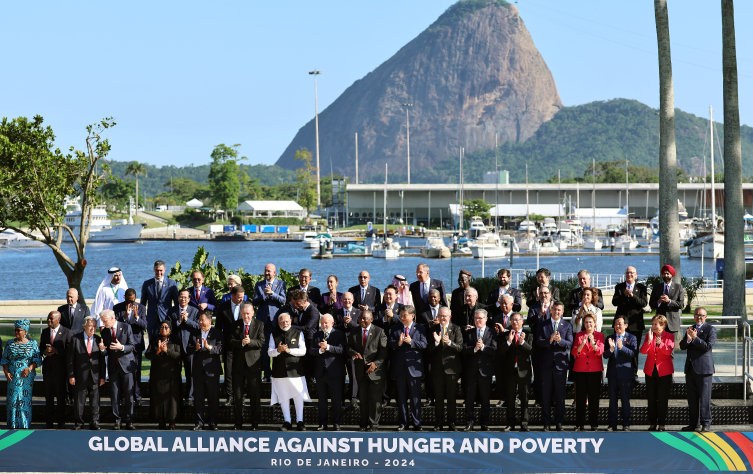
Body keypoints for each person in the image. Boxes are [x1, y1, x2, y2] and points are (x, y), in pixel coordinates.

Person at [268, 312, 311, 431]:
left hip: (295, 370)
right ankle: (287, 421)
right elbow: (270, 353)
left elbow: (303, 351)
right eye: (282, 321)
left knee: (298, 395)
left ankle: (300, 421)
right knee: (283, 396)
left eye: (287, 321)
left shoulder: (298, 333)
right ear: (278, 323)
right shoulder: (274, 334)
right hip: (279, 371)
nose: (285, 323)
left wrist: (289, 351)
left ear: (291, 321)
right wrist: (278, 350)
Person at [347, 310, 388, 431]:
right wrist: (353, 353)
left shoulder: (379, 331)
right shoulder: (354, 331)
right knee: (363, 399)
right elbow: (348, 346)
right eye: (360, 318)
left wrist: (375, 364)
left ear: (371, 319)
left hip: (375, 372)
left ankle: (374, 424)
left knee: (375, 400)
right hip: (360, 370)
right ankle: (363, 424)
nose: (362, 321)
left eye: (365, 318)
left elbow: (384, 351)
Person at [388, 305, 427, 431]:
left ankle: (417, 423)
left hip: (414, 369)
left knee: (415, 398)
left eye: (405, 315)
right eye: (401, 315)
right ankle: (403, 423)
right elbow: (389, 344)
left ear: (412, 316)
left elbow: (424, 344)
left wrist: (411, 342)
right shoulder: (395, 328)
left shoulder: (420, 329)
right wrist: (398, 343)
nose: (402, 317)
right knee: (401, 398)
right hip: (400, 369)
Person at [536, 301, 572, 431]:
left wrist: (560, 341)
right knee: (545, 395)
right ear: (551, 310)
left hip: (560, 366)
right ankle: (546, 423)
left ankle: (559, 423)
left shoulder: (567, 325)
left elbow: (569, 344)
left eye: (559, 310)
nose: (556, 312)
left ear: (562, 312)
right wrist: (549, 340)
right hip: (546, 365)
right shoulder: (543, 324)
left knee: (560, 395)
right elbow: (538, 342)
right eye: (555, 309)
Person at [99, 309, 137, 430]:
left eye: (105, 321)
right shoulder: (105, 331)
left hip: (126, 366)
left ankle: (129, 420)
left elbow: (132, 346)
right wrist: (102, 349)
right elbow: (107, 352)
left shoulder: (126, 327)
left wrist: (122, 347)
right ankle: (117, 420)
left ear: (112, 318)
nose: (104, 323)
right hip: (113, 367)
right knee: (114, 395)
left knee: (128, 395)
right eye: (102, 321)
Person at [229, 302, 264, 431]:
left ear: (253, 313)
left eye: (248, 313)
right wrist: (241, 343)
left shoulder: (259, 324)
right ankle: (238, 422)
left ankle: (255, 422)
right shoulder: (235, 325)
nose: (246, 316)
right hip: (238, 365)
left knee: (255, 395)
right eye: (244, 314)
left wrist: (251, 342)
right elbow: (230, 341)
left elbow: (262, 341)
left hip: (253, 365)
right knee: (237, 396)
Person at [680, 307, 716, 432]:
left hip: (704, 369)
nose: (698, 317)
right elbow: (682, 346)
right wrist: (688, 339)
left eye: (701, 315)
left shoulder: (710, 329)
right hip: (690, 368)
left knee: (705, 398)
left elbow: (708, 346)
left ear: (705, 317)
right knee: (692, 399)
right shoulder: (690, 328)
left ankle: (706, 423)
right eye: (696, 315)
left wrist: (695, 338)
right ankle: (694, 423)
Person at [427, 307, 463, 431]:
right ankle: (439, 423)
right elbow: (428, 349)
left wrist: (449, 343)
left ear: (450, 317)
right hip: (437, 369)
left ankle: (451, 422)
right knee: (438, 398)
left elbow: (460, 348)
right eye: (440, 316)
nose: (442, 318)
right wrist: (437, 343)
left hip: (451, 369)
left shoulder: (456, 329)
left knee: (451, 398)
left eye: (445, 316)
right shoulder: (433, 330)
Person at [67, 316, 105, 430]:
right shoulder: (75, 339)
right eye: (90, 326)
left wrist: (102, 376)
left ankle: (94, 422)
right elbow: (70, 360)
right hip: (80, 376)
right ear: (84, 326)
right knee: (79, 400)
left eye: (94, 326)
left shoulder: (98, 340)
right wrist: (71, 375)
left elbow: (102, 360)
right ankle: (79, 423)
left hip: (95, 375)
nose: (93, 328)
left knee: (95, 401)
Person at [187, 310, 223, 431]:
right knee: (198, 399)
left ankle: (213, 422)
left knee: (213, 398)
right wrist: (196, 348)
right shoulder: (194, 333)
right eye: (200, 320)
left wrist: (209, 347)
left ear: (210, 320)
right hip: (198, 371)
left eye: (203, 320)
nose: (201, 322)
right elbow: (188, 349)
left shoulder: (217, 333)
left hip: (212, 371)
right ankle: (199, 423)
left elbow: (220, 349)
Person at [309, 314, 346, 431]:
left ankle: (336, 423)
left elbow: (341, 349)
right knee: (322, 400)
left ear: (332, 323)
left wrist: (328, 347)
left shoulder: (339, 334)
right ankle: (322, 423)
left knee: (336, 400)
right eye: (322, 323)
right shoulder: (317, 335)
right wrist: (321, 350)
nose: (324, 325)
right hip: (320, 373)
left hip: (335, 373)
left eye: (326, 323)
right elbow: (311, 351)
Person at [2, 319, 41, 429]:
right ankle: (12, 424)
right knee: (12, 400)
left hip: (26, 377)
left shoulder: (33, 343)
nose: (16, 332)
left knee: (24, 400)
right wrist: (6, 372)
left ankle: (24, 424)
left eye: (19, 330)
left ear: (25, 331)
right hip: (13, 377)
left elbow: (37, 359)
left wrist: (29, 368)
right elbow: (5, 359)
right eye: (15, 330)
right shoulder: (10, 343)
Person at [462, 309, 497, 431]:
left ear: (486, 319)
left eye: (480, 318)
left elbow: (494, 350)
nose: (478, 320)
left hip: (485, 371)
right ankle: (469, 423)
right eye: (476, 318)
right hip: (471, 371)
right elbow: (464, 349)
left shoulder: (492, 332)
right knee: (469, 399)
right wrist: (475, 349)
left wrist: (483, 347)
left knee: (485, 399)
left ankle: (484, 423)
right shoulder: (469, 332)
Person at [612, 266, 648, 382]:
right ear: (625, 274)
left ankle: (634, 375)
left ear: (636, 274)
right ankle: (619, 373)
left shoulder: (641, 288)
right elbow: (614, 302)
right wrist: (624, 295)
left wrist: (632, 296)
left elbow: (643, 303)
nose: (629, 275)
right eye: (627, 273)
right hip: (620, 325)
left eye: (632, 273)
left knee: (634, 351)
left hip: (635, 325)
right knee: (619, 348)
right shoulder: (619, 287)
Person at [144, 320, 182, 430]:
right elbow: (147, 355)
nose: (163, 329)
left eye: (166, 327)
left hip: (171, 374)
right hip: (157, 374)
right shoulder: (155, 340)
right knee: (158, 398)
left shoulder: (175, 340)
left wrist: (166, 350)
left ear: (170, 329)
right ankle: (161, 421)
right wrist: (158, 351)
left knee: (171, 399)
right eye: (161, 327)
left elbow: (179, 355)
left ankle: (172, 422)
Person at [499, 313, 533, 432]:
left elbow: (532, 351)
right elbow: (500, 351)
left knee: (525, 398)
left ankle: (524, 423)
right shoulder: (505, 335)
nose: (515, 322)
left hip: (524, 371)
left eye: (517, 320)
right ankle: (511, 423)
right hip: (510, 371)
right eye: (512, 320)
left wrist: (523, 343)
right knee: (510, 398)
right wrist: (509, 341)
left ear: (522, 321)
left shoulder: (528, 334)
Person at [253, 263, 287, 382]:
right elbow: (254, 302)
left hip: (276, 321)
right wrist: (264, 295)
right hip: (262, 321)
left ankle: (278, 373)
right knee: (264, 348)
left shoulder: (281, 284)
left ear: (274, 273)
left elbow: (283, 300)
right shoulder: (259, 285)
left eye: (269, 271)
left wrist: (272, 294)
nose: (267, 273)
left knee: (279, 346)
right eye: (266, 270)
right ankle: (267, 374)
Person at [113, 288, 147, 406]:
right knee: (123, 372)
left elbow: (145, 326)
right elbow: (115, 326)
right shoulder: (117, 308)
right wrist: (125, 317)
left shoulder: (141, 308)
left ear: (135, 299)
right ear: (125, 298)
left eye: (132, 301)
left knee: (136, 372)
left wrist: (137, 317)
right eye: (128, 301)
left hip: (136, 344)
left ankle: (137, 396)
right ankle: (124, 397)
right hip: (123, 345)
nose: (130, 304)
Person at [571, 313, 605, 431]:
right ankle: (579, 423)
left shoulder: (600, 335)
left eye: (590, 322)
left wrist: (593, 343)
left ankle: (594, 424)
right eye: (586, 322)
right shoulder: (579, 335)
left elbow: (600, 351)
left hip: (594, 370)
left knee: (594, 398)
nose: (588, 324)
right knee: (580, 398)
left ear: (595, 323)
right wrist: (582, 344)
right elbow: (574, 352)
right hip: (580, 370)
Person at [603, 315, 637, 431]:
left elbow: (633, 353)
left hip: (625, 373)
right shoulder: (610, 337)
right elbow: (605, 355)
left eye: (620, 324)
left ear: (626, 325)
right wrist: (611, 349)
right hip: (612, 374)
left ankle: (626, 423)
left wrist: (622, 347)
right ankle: (612, 424)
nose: (617, 326)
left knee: (625, 400)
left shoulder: (632, 338)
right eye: (616, 324)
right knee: (612, 400)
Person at [641, 314, 674, 432]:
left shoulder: (669, 336)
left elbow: (668, 352)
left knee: (662, 398)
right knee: (651, 398)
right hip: (650, 371)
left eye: (656, 324)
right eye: (653, 324)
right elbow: (643, 351)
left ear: (663, 325)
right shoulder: (649, 335)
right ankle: (652, 423)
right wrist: (649, 341)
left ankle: (661, 423)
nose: (654, 326)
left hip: (664, 372)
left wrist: (661, 344)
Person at [214, 285, 246, 407]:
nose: (241, 299)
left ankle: (241, 397)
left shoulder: (246, 305)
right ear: (232, 296)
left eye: (243, 297)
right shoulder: (223, 307)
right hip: (228, 344)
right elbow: (218, 327)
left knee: (242, 372)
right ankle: (230, 396)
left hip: (242, 344)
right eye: (239, 297)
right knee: (228, 372)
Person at [40, 311, 72, 429]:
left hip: (61, 371)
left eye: (51, 319)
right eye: (48, 318)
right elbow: (41, 348)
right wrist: (45, 352)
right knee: (48, 397)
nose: (48, 320)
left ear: (58, 319)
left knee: (60, 397)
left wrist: (56, 351)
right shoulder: (44, 332)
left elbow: (70, 351)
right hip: (48, 370)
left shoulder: (67, 332)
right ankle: (49, 422)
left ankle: (61, 422)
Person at [167, 289, 199, 406]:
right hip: (175, 347)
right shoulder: (171, 310)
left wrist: (187, 320)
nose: (183, 299)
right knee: (175, 374)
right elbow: (167, 327)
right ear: (178, 298)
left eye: (185, 297)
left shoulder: (195, 311)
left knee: (190, 374)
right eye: (181, 297)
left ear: (189, 299)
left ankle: (189, 398)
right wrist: (178, 322)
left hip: (190, 347)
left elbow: (198, 326)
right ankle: (176, 397)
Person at [332, 291, 360, 407]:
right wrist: (343, 325)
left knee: (353, 374)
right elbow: (333, 328)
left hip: (352, 348)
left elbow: (361, 327)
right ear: (341, 301)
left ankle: (353, 398)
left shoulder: (358, 312)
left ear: (352, 301)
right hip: (339, 347)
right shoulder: (337, 313)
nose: (347, 301)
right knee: (340, 375)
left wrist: (351, 323)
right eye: (345, 299)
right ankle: (340, 398)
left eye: (349, 299)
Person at [140, 260, 178, 342]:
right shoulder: (147, 284)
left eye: (161, 270)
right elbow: (143, 303)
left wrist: (175, 317)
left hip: (166, 318)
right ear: (154, 270)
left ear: (164, 270)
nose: (159, 272)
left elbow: (176, 302)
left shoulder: (171, 284)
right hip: (152, 320)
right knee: (152, 343)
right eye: (157, 270)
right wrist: (143, 318)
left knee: (167, 342)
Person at [492, 293, 515, 406]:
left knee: (512, 376)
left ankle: (514, 398)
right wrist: (497, 334)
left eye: (505, 303)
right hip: (500, 351)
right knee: (500, 376)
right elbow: (492, 334)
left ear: (512, 304)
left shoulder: (516, 317)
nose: (503, 306)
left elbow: (516, 332)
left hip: (512, 351)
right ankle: (502, 398)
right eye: (501, 303)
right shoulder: (496, 317)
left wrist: (503, 332)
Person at [649, 265, 685, 334]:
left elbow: (681, 305)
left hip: (673, 323)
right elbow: (651, 304)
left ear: (672, 275)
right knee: (659, 341)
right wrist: (659, 301)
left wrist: (669, 301)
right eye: (664, 274)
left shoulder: (678, 287)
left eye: (667, 274)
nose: (665, 275)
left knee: (671, 341)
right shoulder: (657, 287)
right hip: (659, 324)